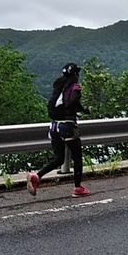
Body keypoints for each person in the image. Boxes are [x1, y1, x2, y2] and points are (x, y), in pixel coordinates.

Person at [26, 62, 92, 198]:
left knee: (59, 158)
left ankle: (36, 176)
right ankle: (78, 188)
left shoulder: (59, 85)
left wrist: (80, 109)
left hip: (54, 126)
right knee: (77, 157)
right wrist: (80, 109)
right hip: (67, 126)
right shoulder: (74, 86)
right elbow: (73, 101)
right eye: (77, 73)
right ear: (75, 74)